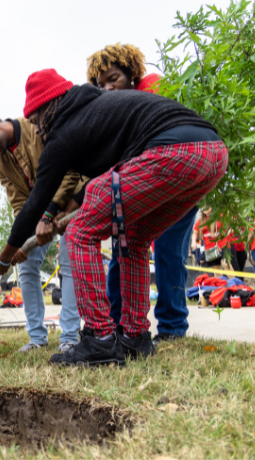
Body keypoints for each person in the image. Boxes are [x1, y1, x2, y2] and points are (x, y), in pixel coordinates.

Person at [0, 68, 227, 367]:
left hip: (171, 152)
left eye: (36, 120)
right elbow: (99, 182)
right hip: (212, 154)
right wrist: (57, 212)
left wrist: (4, 258)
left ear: (50, 106)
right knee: (135, 236)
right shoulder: (99, 110)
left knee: (80, 234)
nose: (35, 129)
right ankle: (135, 336)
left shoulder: (66, 129)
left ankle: (100, 339)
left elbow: (33, 204)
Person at [87, 43, 201, 345]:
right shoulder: (113, 110)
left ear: (131, 73)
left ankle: (173, 328)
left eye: (114, 79)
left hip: (176, 184)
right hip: (142, 187)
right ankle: (118, 324)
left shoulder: (154, 90)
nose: (108, 88)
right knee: (122, 251)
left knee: (169, 253)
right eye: (101, 85)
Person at [0, 107, 84, 352]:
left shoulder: (37, 128)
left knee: (68, 260)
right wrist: (19, 241)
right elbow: (19, 201)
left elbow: (70, 172)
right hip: (38, 216)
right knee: (26, 267)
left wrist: (51, 212)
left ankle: (70, 337)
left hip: (71, 203)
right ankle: (37, 338)